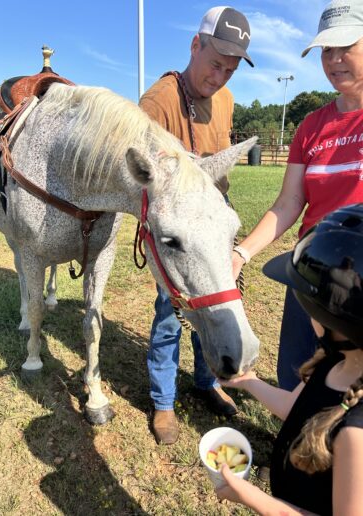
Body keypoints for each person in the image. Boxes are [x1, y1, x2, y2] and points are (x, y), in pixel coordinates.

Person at [232, 0, 363, 391]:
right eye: (327, 50)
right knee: (297, 370)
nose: (335, 59)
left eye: (346, 47)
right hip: (310, 271)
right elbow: (289, 203)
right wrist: (241, 254)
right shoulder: (311, 126)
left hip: (359, 284)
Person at [139, 6, 254, 444]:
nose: (220, 76)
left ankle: (207, 382)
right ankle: (164, 401)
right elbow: (147, 180)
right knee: (173, 313)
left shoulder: (224, 99)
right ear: (195, 45)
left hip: (213, 222)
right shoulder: (159, 101)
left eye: (230, 68)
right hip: (182, 231)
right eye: (215, 63)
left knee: (221, 305)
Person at [217, 203, 363, 515]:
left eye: (308, 309)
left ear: (337, 323)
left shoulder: (356, 433)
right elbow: (295, 408)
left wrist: (254, 498)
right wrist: (251, 383)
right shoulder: (332, 363)